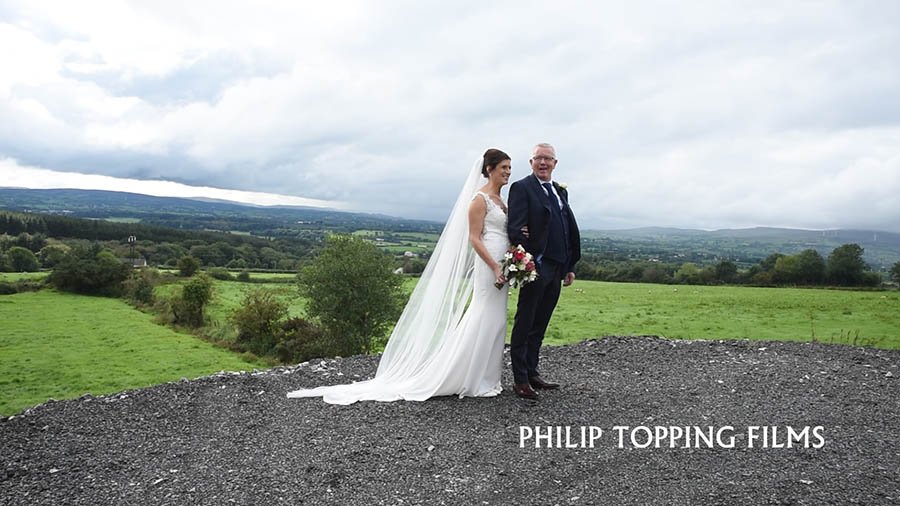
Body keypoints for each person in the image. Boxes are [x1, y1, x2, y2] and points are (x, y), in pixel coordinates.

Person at [287, 149, 513, 404]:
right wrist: (494, 266)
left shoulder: (502, 200)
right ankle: (469, 377)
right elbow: (474, 238)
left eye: (509, 168)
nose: (507, 172)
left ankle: (487, 377)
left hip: (504, 265)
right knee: (483, 316)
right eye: (503, 167)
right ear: (489, 169)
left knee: (497, 319)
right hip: (489, 266)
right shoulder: (479, 200)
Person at [506, 143, 581, 400]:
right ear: (531, 162)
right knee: (525, 321)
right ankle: (520, 379)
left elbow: (566, 228)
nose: (543, 163)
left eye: (548, 159)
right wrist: (529, 260)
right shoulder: (522, 188)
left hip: (558, 267)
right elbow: (515, 228)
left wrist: (569, 265)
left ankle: (532, 371)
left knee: (541, 322)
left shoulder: (559, 191)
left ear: (555, 163)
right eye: (539, 158)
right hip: (537, 266)